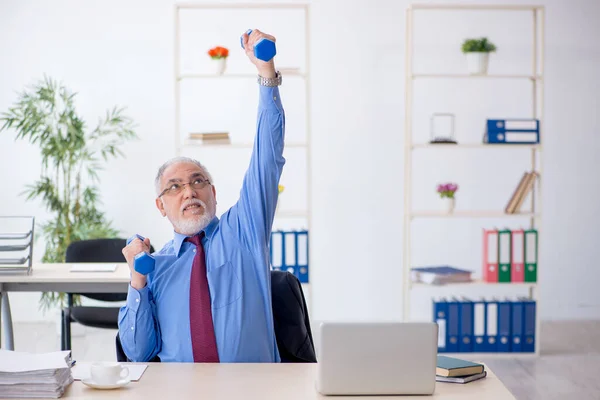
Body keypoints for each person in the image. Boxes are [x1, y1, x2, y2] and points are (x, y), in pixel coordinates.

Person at [118, 30, 284, 363]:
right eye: (174, 186)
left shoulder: (244, 231)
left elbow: (266, 158)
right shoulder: (157, 267)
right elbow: (139, 352)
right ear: (161, 206)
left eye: (198, 181)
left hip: (256, 390)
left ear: (213, 193)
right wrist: (137, 281)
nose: (190, 191)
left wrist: (267, 75)